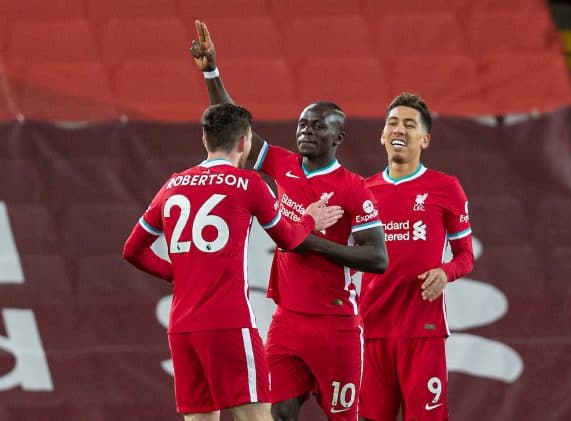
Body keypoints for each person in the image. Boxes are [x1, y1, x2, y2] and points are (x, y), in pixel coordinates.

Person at [190, 21, 388, 421]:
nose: (305, 131)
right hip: (287, 320)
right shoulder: (284, 165)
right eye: (301, 124)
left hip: (336, 324)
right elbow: (235, 126)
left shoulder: (353, 189)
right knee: (275, 414)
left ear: (338, 137)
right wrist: (211, 71)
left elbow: (377, 259)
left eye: (317, 126)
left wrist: (307, 240)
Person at [122, 103, 347, 421]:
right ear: (244, 141)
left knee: (200, 419)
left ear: (205, 139)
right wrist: (310, 219)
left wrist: (178, 274)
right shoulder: (250, 185)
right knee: (255, 417)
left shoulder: (173, 185)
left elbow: (132, 250)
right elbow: (290, 240)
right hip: (228, 323)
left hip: (183, 326)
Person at [358, 94, 475, 421]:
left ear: (424, 139)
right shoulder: (363, 192)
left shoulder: (446, 188)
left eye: (410, 125)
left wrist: (445, 272)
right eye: (392, 123)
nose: (400, 129)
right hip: (371, 329)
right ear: (383, 135)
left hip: (423, 330)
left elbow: (466, 256)